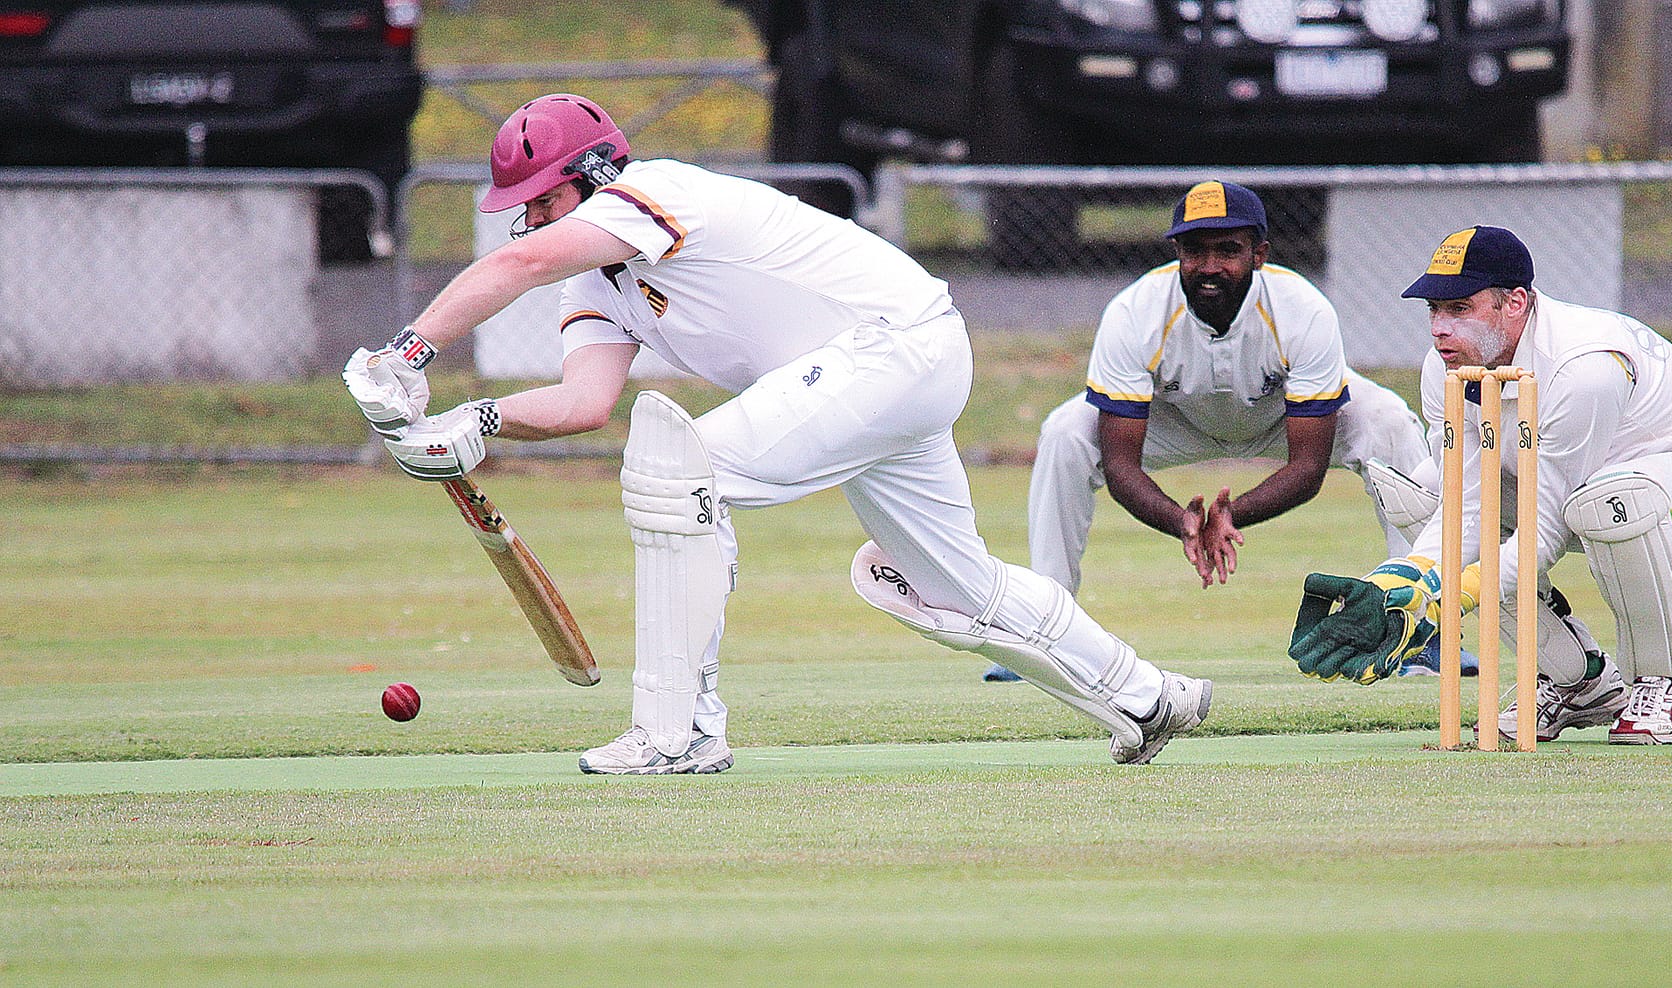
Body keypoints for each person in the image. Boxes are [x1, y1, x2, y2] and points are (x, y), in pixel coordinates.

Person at [341, 93, 1212, 773]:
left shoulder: (658, 193)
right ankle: (1149, 697)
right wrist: (476, 423)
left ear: (600, 173)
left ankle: (677, 731)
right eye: (521, 207)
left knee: (683, 476)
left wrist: (405, 356)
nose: (532, 221)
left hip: (894, 344)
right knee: (957, 590)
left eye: (544, 199)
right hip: (876, 375)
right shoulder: (595, 285)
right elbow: (582, 403)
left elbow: (516, 264)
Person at [1288, 226, 1672, 745]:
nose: (1439, 328)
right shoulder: (1446, 369)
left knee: (1611, 498)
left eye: (1459, 309)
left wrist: (1452, 598)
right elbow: (1468, 504)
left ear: (1515, 303)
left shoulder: (1582, 369)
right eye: (1434, 309)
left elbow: (1543, 525)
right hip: (1593, 487)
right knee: (1426, 499)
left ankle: (1667, 679)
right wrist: (1401, 587)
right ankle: (1579, 680)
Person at [983, 180, 1437, 683]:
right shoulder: (1134, 312)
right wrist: (1183, 521)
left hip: (1279, 421)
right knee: (1066, 430)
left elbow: (1307, 468)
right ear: (1177, 252)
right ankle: (1047, 634)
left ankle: (1415, 628)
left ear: (1259, 255)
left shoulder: (1303, 311)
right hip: (1173, 421)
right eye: (1195, 250)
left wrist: (1231, 512)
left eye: (1229, 250)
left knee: (1389, 420)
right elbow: (1120, 465)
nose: (1210, 266)